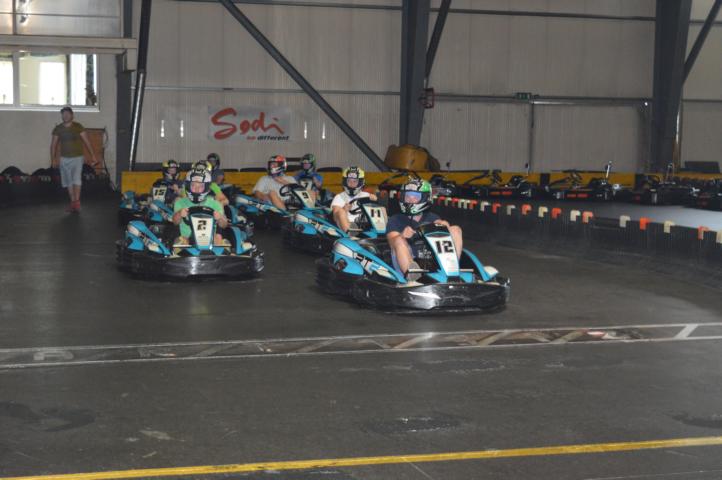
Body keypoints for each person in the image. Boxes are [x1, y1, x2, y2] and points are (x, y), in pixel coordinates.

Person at [386, 178, 463, 279]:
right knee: (399, 240)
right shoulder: (395, 219)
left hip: (431, 260)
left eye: (415, 196)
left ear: (426, 198)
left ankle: (452, 270)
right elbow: (392, 241)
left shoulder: (432, 217)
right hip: (408, 261)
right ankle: (413, 279)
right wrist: (402, 236)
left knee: (456, 229)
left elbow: (444, 230)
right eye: (407, 196)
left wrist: (444, 225)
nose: (410, 200)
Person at [50, 106, 99, 213]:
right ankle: (73, 203)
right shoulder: (58, 128)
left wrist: (93, 156)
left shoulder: (78, 127)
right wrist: (53, 159)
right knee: (68, 181)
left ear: (72, 115)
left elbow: (87, 141)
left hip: (77, 158)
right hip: (64, 159)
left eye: (67, 114)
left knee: (76, 179)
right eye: (63, 114)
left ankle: (76, 202)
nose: (65, 116)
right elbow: (53, 145)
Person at [172, 165, 228, 248]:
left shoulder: (215, 204)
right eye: (193, 185)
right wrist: (179, 214)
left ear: (206, 187)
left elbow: (224, 225)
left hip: (210, 240)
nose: (197, 189)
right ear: (188, 186)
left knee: (219, 239)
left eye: (200, 186)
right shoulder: (180, 203)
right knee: (179, 242)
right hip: (187, 240)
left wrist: (220, 217)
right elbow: (175, 222)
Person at [331, 166, 377, 233]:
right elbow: (335, 217)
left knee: (380, 208)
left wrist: (375, 201)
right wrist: (344, 209)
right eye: (349, 181)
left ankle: (383, 232)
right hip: (347, 226)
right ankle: (351, 233)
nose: (351, 184)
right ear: (345, 182)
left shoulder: (367, 195)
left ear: (360, 182)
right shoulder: (339, 197)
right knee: (340, 211)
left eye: (355, 181)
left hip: (366, 225)